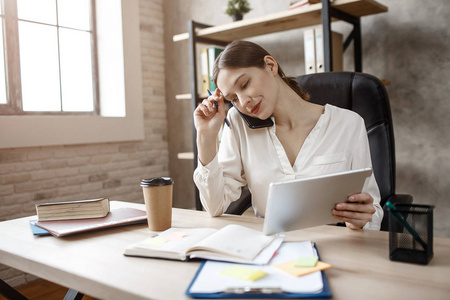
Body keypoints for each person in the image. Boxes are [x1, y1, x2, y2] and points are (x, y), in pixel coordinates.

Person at [193, 40, 382, 230]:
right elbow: (214, 206)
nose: (244, 102)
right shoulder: (238, 123)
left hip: (333, 247)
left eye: (244, 84)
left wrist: (359, 219)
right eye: (233, 99)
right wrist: (205, 136)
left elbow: (373, 212)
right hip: (269, 248)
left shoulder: (348, 124)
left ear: (270, 65)